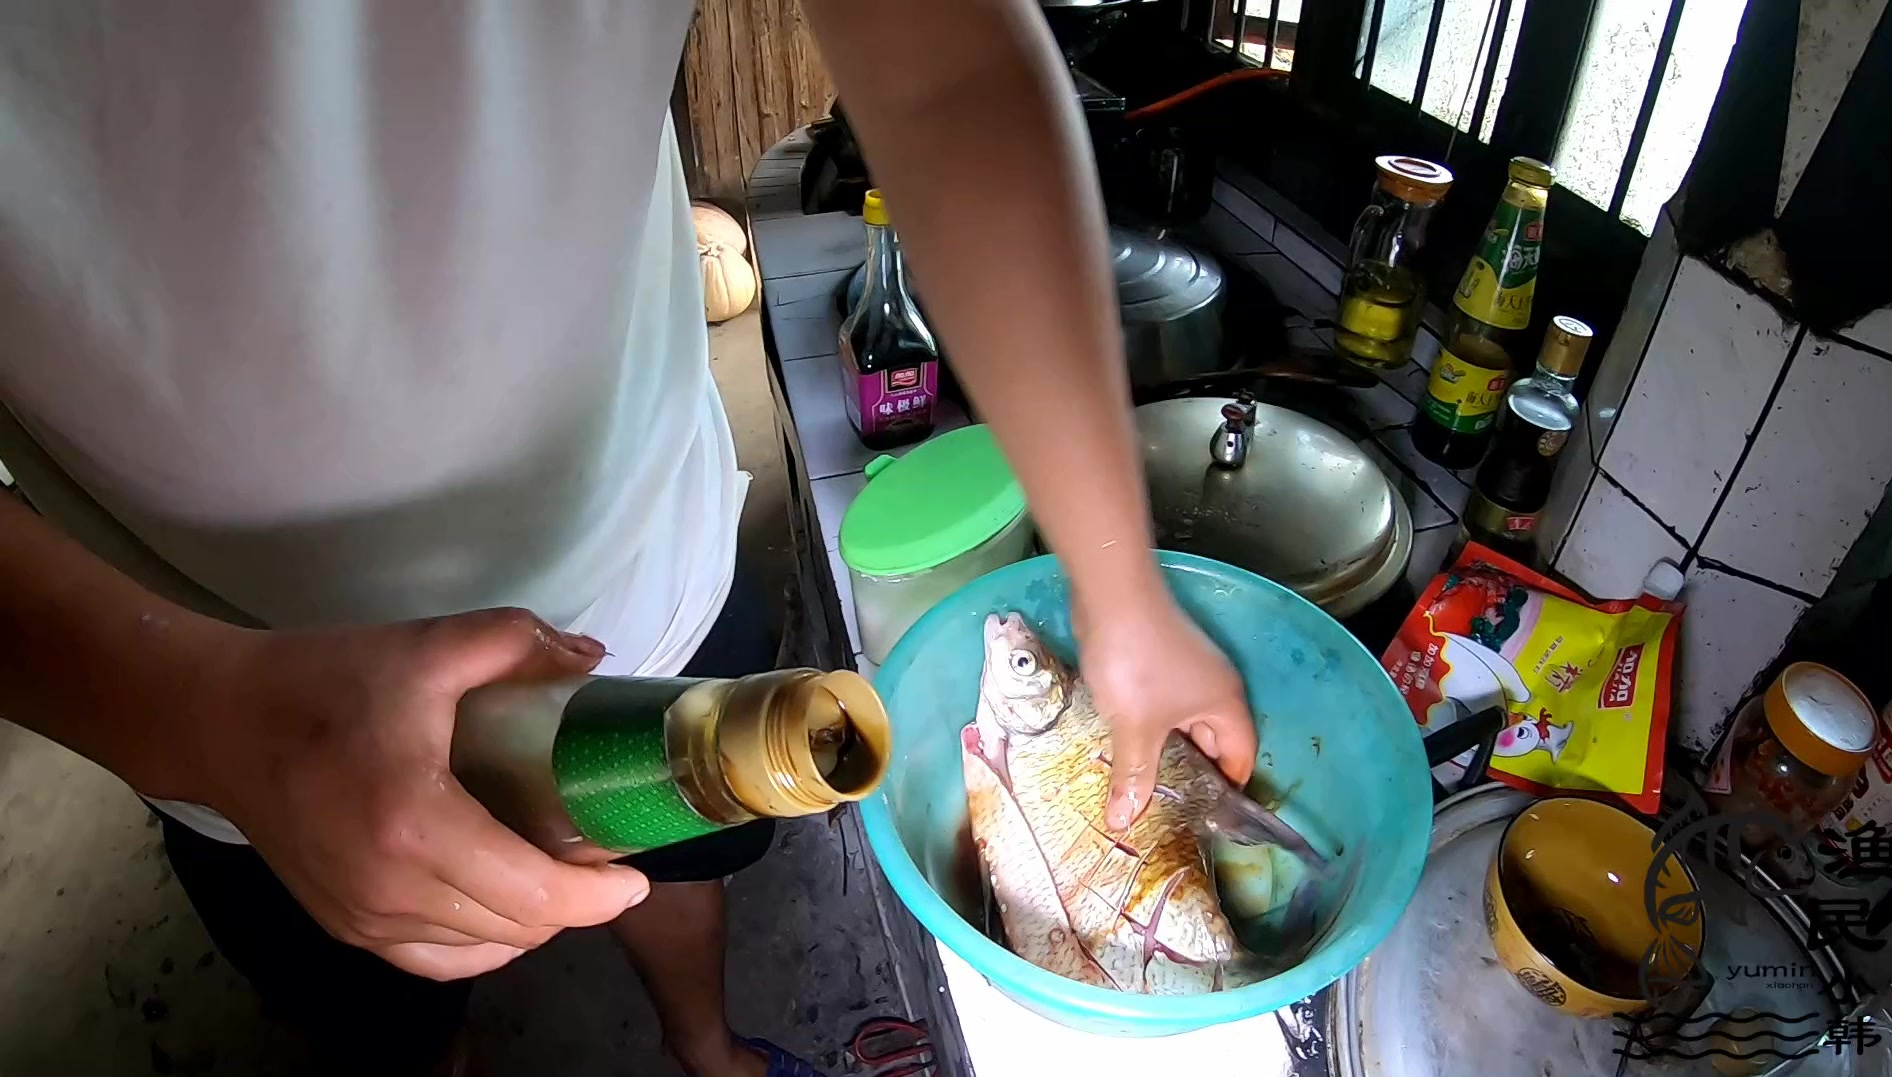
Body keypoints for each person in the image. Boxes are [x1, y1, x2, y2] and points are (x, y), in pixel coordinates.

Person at [0, 3, 1257, 1075]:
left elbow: (953, 72)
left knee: (680, 862)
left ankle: (703, 1051)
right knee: (384, 1016)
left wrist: (1119, 585)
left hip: (651, 566)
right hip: (238, 690)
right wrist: (206, 716)